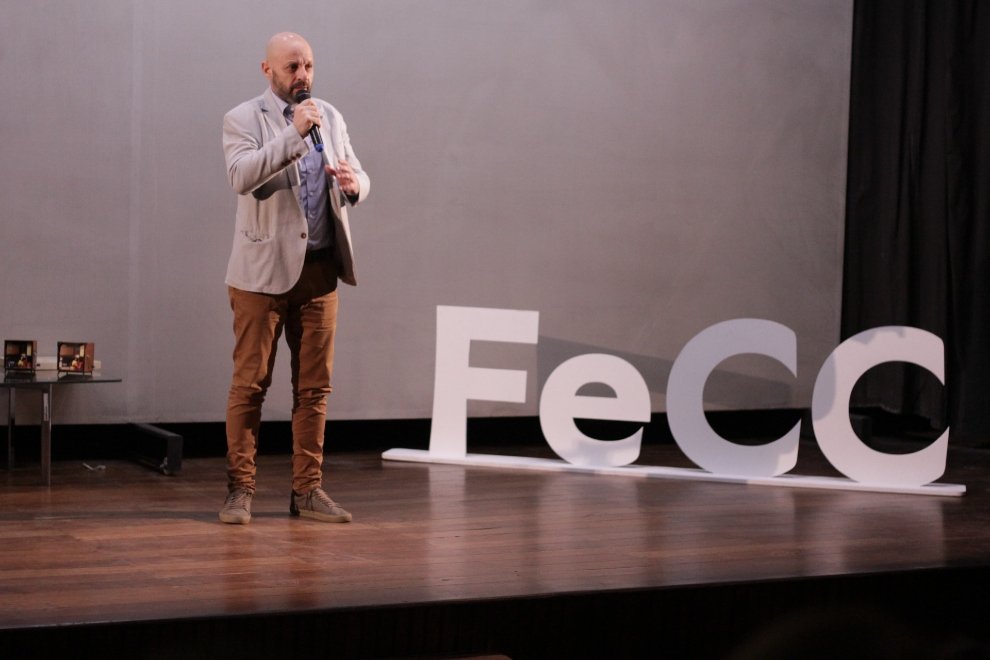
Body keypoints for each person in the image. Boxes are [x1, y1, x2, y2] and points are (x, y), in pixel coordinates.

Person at [218, 32, 370, 525]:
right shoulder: (243, 118)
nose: (302, 75)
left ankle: (307, 491)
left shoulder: (330, 115)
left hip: (320, 270)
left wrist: (356, 185)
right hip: (261, 277)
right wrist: (293, 135)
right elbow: (243, 177)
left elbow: (357, 171)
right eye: (292, 67)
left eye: (308, 66)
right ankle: (240, 490)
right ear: (267, 70)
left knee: (314, 389)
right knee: (250, 386)